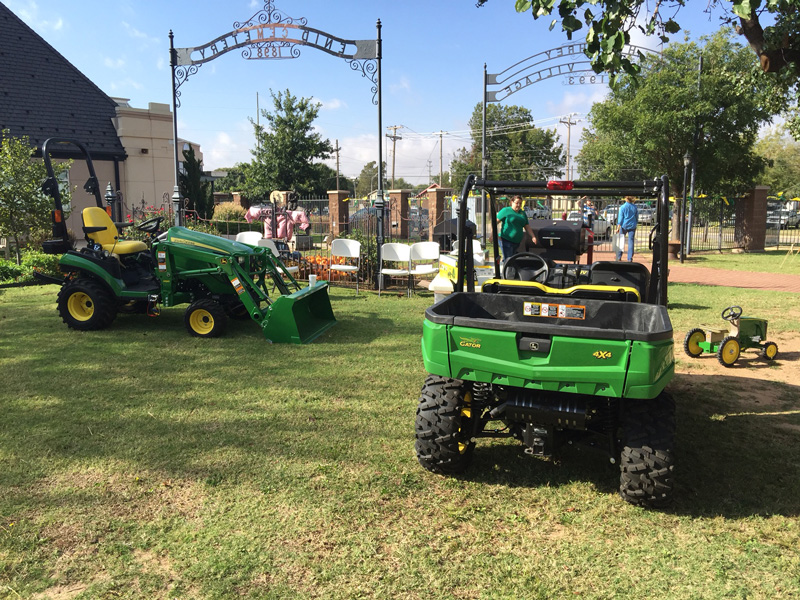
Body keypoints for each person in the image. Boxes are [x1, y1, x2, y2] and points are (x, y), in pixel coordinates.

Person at [497, 195, 537, 263]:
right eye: (517, 203)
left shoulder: (522, 213)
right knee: (508, 259)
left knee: (512, 259)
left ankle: (508, 271)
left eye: (520, 203)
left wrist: (533, 236)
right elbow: (495, 222)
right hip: (506, 239)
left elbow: (526, 226)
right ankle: (508, 273)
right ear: (511, 202)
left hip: (516, 242)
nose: (518, 205)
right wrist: (493, 234)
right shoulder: (506, 210)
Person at [615, 196, 639, 262]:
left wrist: (618, 227)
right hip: (632, 225)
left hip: (624, 225)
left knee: (621, 241)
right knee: (631, 241)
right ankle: (630, 258)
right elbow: (637, 217)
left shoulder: (622, 207)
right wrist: (635, 223)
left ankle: (619, 256)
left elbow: (620, 218)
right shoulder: (634, 207)